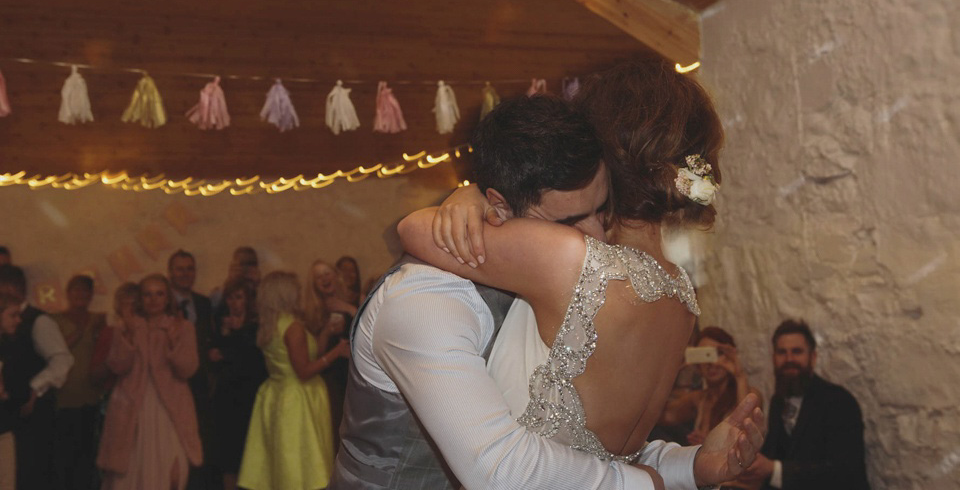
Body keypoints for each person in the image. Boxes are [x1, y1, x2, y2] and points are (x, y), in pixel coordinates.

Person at [332, 92, 763, 489]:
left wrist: (691, 465)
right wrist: (650, 485)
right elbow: (500, 466)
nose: (595, 236)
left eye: (602, 209)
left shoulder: (544, 289)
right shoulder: (423, 301)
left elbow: (573, 448)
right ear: (499, 207)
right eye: (569, 224)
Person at [238, 271, 347, 490]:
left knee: (281, 462)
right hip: (297, 399)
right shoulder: (293, 327)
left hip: (276, 394)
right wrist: (337, 352)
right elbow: (304, 371)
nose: (300, 294)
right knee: (299, 462)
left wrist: (324, 333)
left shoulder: (272, 324)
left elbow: (307, 355)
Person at [97, 274, 202, 490]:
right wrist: (127, 336)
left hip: (171, 410)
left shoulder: (182, 327)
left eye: (159, 294)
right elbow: (117, 365)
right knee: (131, 469)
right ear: (140, 299)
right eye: (147, 294)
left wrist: (174, 344)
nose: (153, 300)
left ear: (167, 298)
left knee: (169, 469)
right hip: (133, 408)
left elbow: (188, 369)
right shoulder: (128, 326)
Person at [738, 319, 870, 490]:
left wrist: (773, 469)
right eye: (782, 352)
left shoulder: (839, 402)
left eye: (797, 351)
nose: (789, 359)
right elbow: (773, 453)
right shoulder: (779, 401)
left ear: (812, 357)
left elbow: (844, 472)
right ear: (773, 358)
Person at [0, 264, 74, 490]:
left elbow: (62, 360)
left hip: (30, 415)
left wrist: (34, 387)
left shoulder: (38, 320)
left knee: (28, 473)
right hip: (9, 413)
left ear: (9, 287)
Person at [208, 277, 266, 490]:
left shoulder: (255, 326)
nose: (234, 303)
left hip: (249, 397)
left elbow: (252, 360)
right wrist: (223, 338)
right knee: (227, 457)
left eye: (239, 297)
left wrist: (229, 344)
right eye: (230, 298)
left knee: (248, 453)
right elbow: (213, 356)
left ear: (248, 300)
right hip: (226, 398)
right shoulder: (222, 323)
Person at [660, 327, 761, 448]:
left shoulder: (750, 393)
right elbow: (661, 416)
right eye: (705, 355)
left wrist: (739, 376)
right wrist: (672, 370)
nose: (712, 363)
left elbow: (748, 430)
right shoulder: (699, 398)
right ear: (697, 363)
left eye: (717, 354)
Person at [53, 275, 107, 490]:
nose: (81, 294)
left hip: (92, 399)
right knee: (63, 459)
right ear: (68, 293)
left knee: (87, 459)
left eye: (86, 290)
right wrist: (81, 331)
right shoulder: (55, 320)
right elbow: (56, 351)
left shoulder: (99, 320)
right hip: (63, 400)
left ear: (92, 295)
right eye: (76, 289)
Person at [168, 249, 216, 490]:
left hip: (199, 387)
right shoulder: (161, 304)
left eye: (189, 269)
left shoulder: (204, 303)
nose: (185, 274)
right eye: (180, 269)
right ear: (170, 272)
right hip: (172, 386)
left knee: (199, 448)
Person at [303, 259, 358, 452]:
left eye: (327, 273)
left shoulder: (356, 299)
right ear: (314, 284)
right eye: (318, 277)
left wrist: (346, 308)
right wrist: (326, 330)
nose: (324, 279)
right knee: (335, 430)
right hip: (330, 380)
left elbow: (372, 327)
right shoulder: (313, 311)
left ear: (336, 276)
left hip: (356, 377)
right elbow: (315, 354)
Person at [0, 292, 24, 490]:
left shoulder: (12, 347)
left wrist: (9, 394)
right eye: (13, 315)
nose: (19, 320)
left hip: (4, 426)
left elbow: (19, 390)